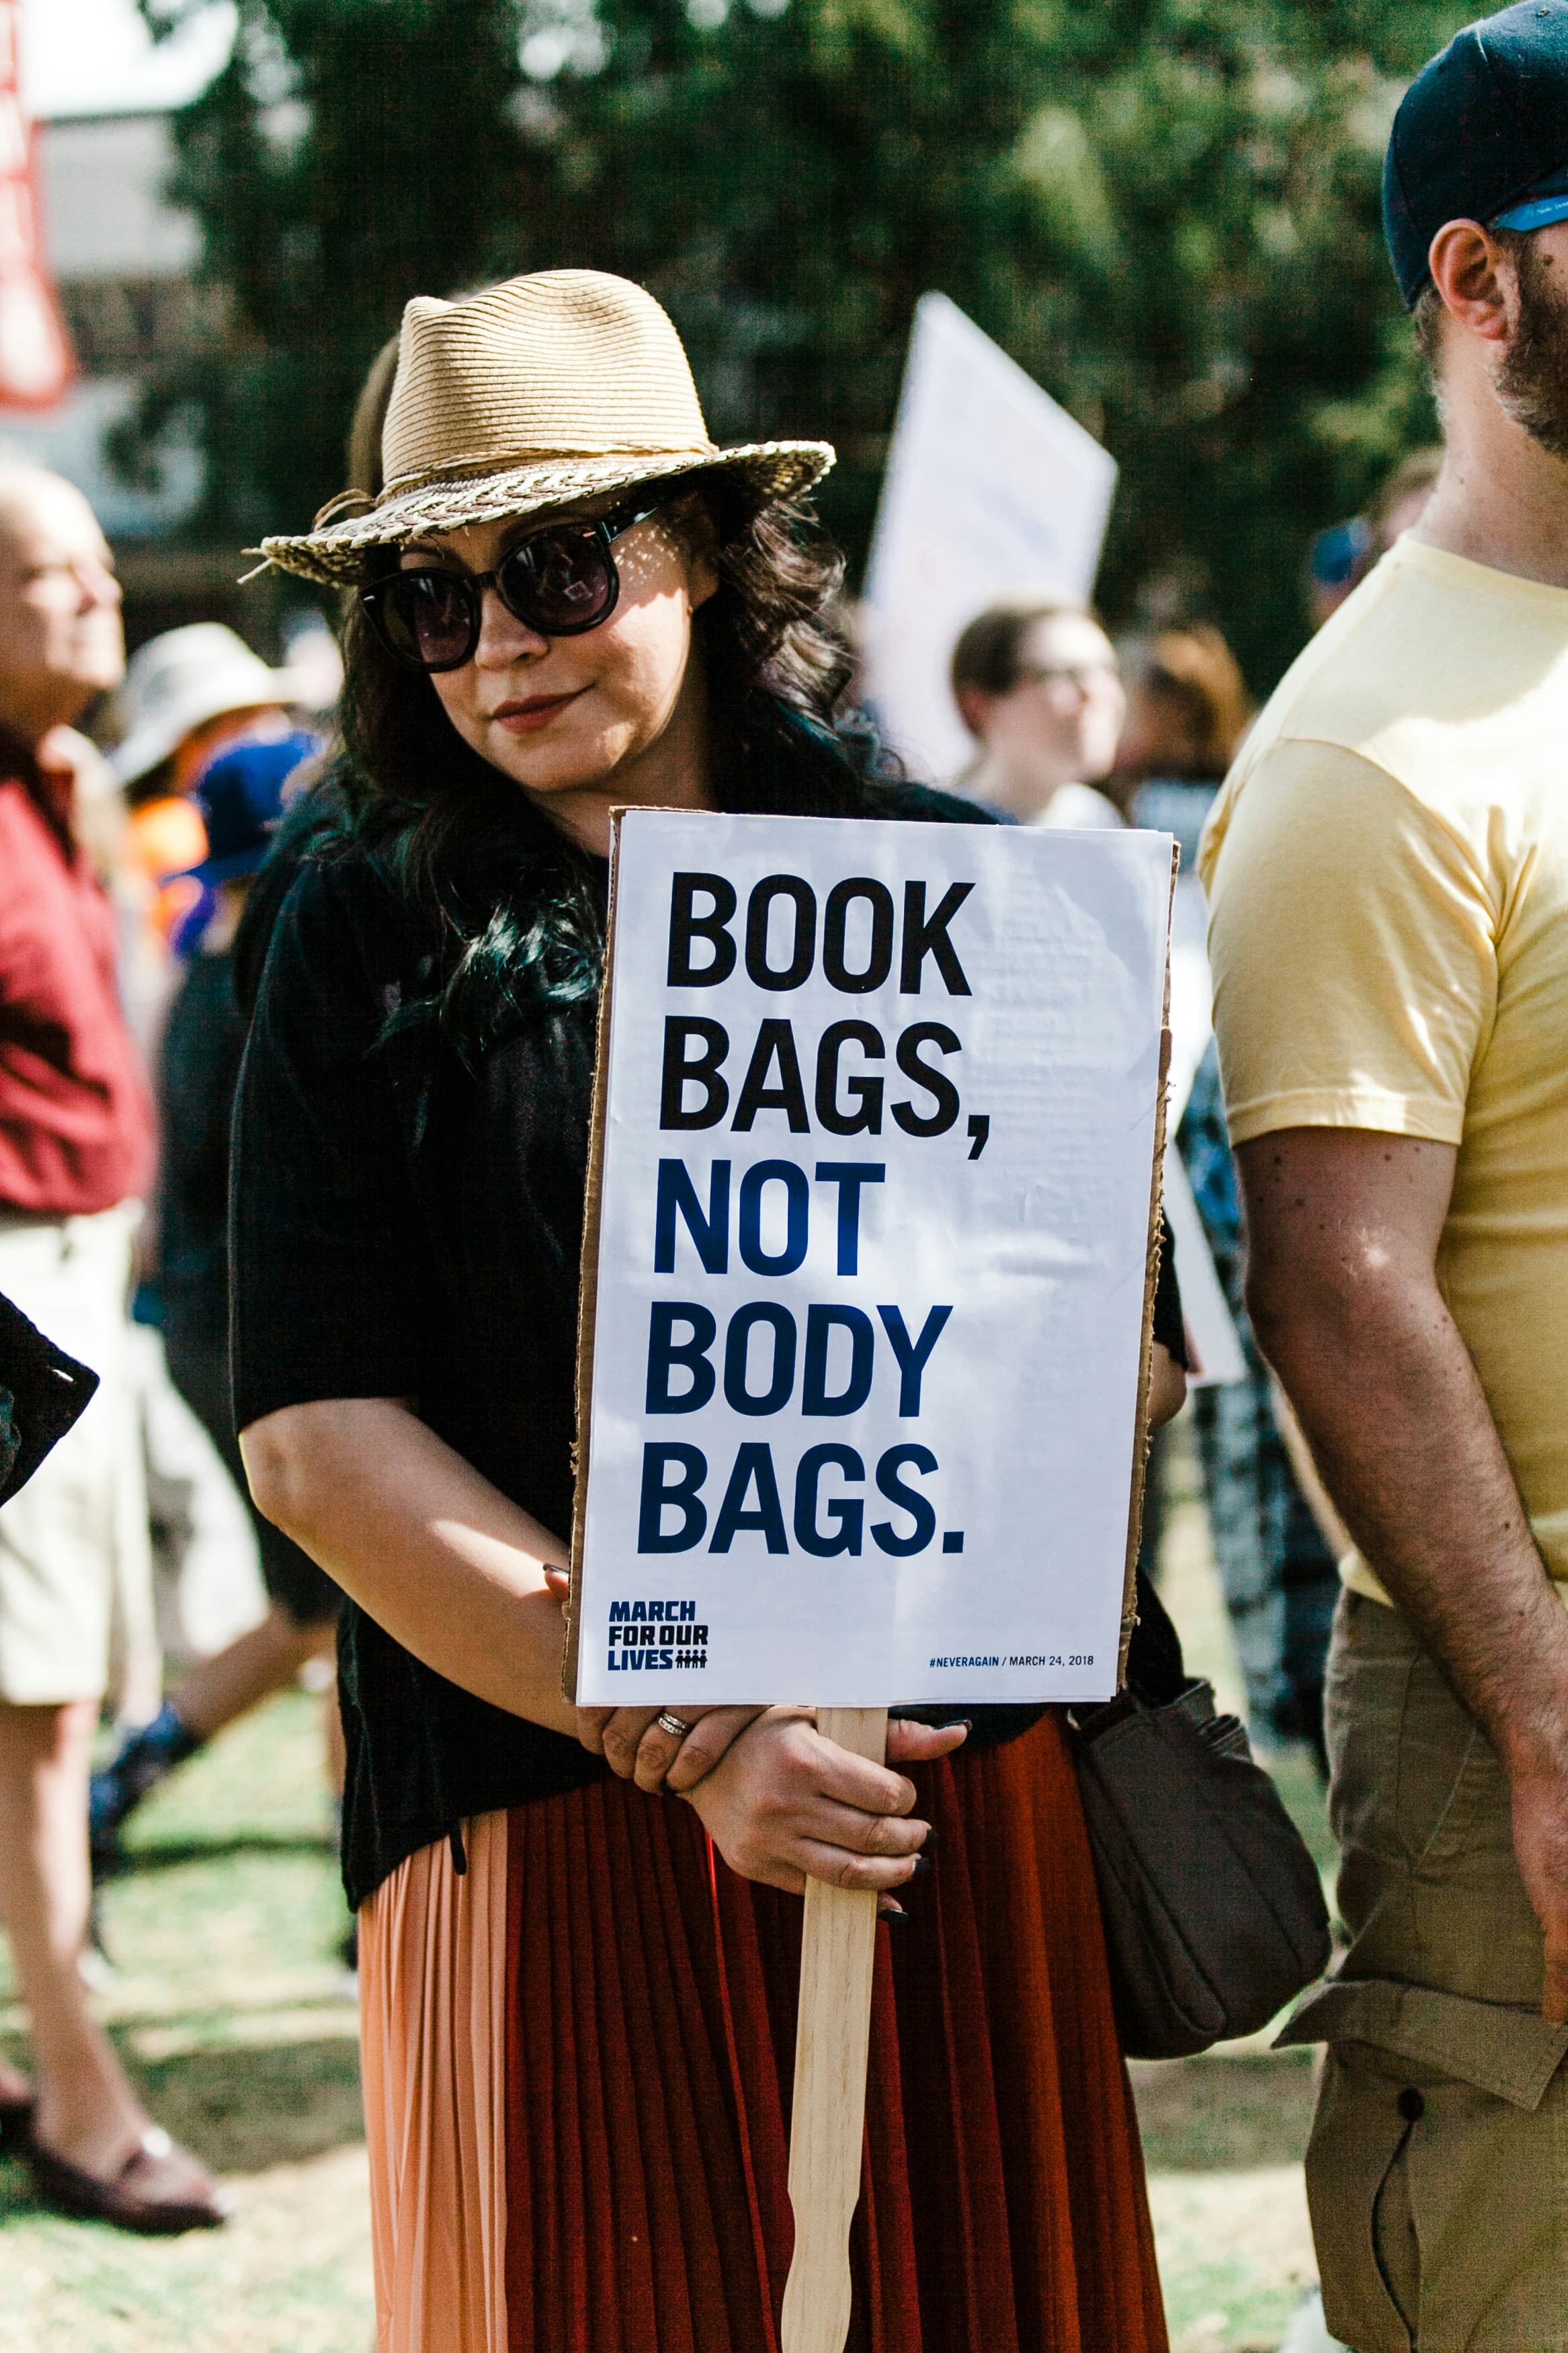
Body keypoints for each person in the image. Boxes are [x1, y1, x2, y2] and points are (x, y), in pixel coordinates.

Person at [232, 268, 1183, 2352]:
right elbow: (313, 1432)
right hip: (554, 1813)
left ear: (705, 541)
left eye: (558, 562)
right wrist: (675, 1717)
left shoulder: (963, 883)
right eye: (433, 597)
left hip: (929, 1807)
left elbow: (1113, 1361)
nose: (499, 645)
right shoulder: (355, 918)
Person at [1201, 7, 1568, 2342]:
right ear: (1478, 280)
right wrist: (1544, 1729)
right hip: (1510, 1686)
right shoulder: (1363, 746)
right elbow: (1338, 1292)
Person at [0, 465, 228, 2231]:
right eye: (44, 573)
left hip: (88, 1288)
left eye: (97, 565)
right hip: (13, 1294)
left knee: (51, 1705)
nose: (92, 596)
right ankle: (82, 2097)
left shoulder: (62, 785)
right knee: (39, 1721)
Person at [89, 732, 342, 1866]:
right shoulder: (260, 986)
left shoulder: (207, 974)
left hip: (206, 1324)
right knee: (332, 1605)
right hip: (241, 1329)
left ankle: (142, 1767)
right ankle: (140, 1771)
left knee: (324, 1607)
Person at [950, 596, 1126, 826]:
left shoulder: (1097, 820)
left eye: (1107, 670)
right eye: (1063, 673)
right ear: (979, 704)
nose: (1096, 692)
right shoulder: (943, 830)